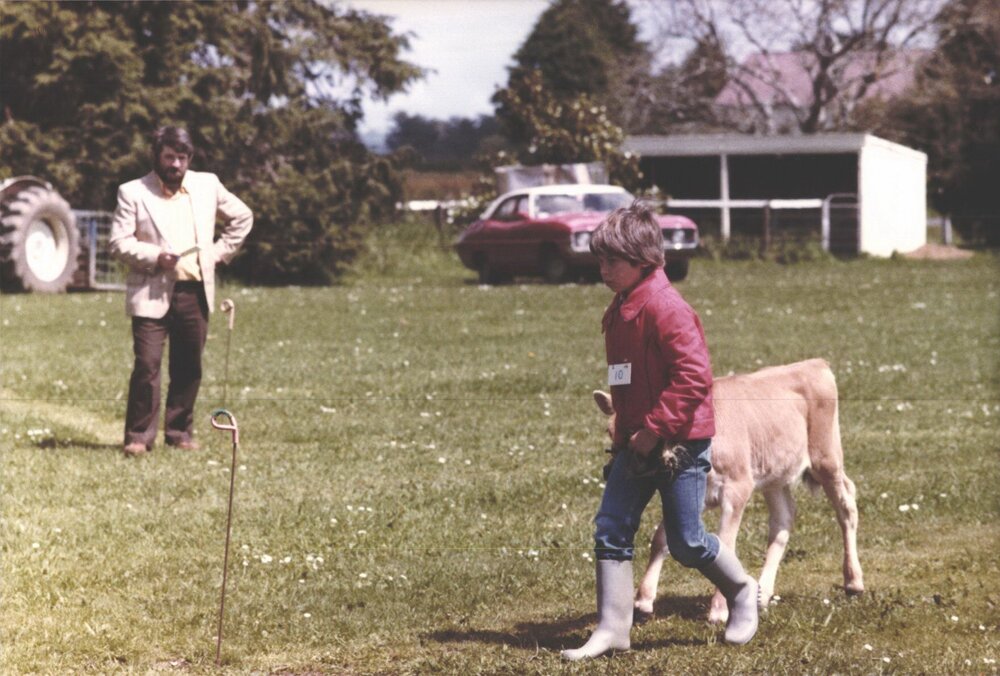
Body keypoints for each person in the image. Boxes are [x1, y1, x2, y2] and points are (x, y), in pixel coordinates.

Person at [561, 202, 758, 661]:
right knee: (611, 527)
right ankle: (613, 629)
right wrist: (625, 436)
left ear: (642, 261)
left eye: (612, 260)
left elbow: (693, 379)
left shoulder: (667, 308)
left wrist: (654, 430)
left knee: (687, 542)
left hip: (678, 445)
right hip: (636, 443)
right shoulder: (622, 307)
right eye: (600, 259)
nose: (603, 269)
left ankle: (744, 591)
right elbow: (628, 380)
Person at [110, 126, 253, 457]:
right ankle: (138, 438)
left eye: (182, 157)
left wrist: (216, 255)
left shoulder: (207, 185)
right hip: (151, 290)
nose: (176, 164)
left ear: (190, 159)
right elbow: (118, 242)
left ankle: (179, 432)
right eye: (169, 156)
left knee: (189, 367)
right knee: (147, 365)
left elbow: (242, 217)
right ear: (157, 156)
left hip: (195, 291)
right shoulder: (133, 191)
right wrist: (154, 256)